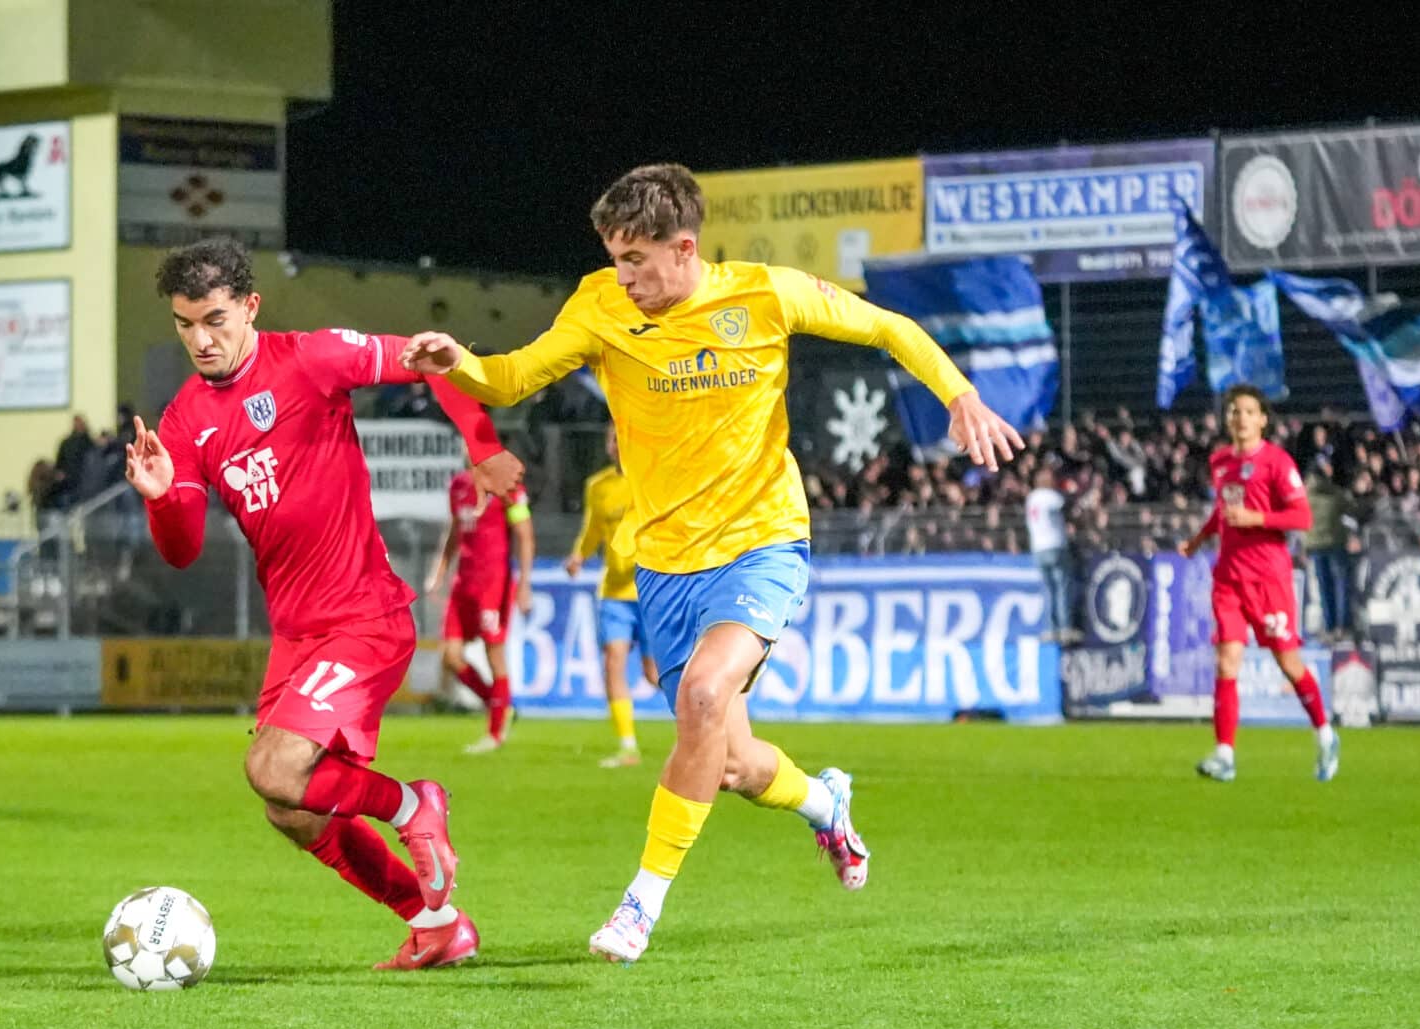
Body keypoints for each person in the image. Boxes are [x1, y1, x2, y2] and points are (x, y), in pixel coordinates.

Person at [401, 163, 1022, 963]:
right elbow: (514, 378)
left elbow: (888, 328)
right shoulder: (599, 304)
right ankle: (824, 804)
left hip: (762, 542)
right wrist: (460, 361)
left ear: (684, 248)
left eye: (635, 260)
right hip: (662, 564)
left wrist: (959, 392)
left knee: (700, 693)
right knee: (731, 762)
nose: (622, 276)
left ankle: (639, 905)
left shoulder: (765, 294)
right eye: (615, 258)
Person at [124, 238, 523, 971]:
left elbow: (429, 356)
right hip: (298, 636)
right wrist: (159, 500)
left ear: (250, 306)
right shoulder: (183, 423)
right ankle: (433, 922)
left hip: (365, 617)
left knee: (271, 769)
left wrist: (482, 443)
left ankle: (414, 803)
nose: (200, 340)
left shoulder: (310, 358)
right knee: (292, 809)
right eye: (185, 325)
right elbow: (180, 547)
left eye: (214, 319)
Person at [1179, 385, 1339, 784]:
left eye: (1249, 411)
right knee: (1226, 661)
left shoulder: (1277, 463)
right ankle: (1225, 754)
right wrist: (1198, 541)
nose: (1241, 418)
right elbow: (1222, 513)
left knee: (1288, 664)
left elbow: (1301, 518)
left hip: (1269, 580)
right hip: (1228, 577)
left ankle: (1325, 733)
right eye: (1235, 411)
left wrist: (1257, 520)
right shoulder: (1219, 463)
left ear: (1263, 419)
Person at [563, 424, 658, 766]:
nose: (617, 445)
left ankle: (709, 726)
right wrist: (579, 556)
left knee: (655, 674)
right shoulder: (598, 486)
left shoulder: (651, 480)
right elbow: (592, 529)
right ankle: (628, 745)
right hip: (614, 591)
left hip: (651, 589)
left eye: (622, 439)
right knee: (613, 661)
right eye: (612, 440)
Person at [426, 465, 533, 754]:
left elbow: (524, 534)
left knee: (494, 654)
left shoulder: (506, 483)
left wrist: (524, 584)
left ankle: (495, 733)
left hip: (493, 584)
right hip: (463, 584)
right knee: (450, 655)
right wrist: (440, 570)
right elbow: (455, 529)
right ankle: (498, 706)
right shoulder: (458, 483)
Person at [1303, 456, 1354, 641]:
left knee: (1324, 588)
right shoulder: (1334, 493)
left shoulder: (1304, 495)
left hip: (1315, 546)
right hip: (1335, 544)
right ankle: (1343, 626)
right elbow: (1351, 507)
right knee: (1341, 584)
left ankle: (1330, 626)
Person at [1026, 467, 1072, 642]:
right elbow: (1065, 506)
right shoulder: (1051, 496)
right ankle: (1064, 627)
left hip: (1038, 547)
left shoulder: (1031, 498)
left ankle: (1050, 628)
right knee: (1062, 587)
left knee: (1047, 589)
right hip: (1055, 544)